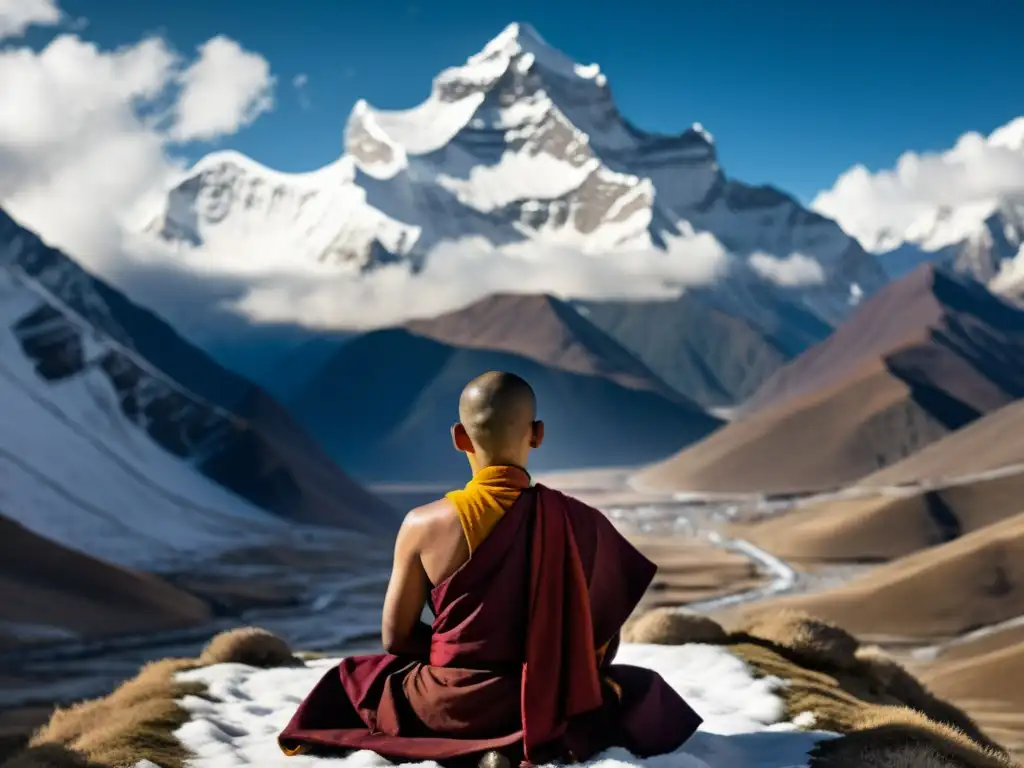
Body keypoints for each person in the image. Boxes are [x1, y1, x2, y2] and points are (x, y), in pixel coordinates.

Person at [278, 371, 702, 767]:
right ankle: (512, 742)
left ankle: (476, 745)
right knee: (641, 689)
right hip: (546, 702)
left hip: (445, 704)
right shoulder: (580, 520)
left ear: (459, 437)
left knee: (352, 677)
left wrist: (460, 658)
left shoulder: (422, 524)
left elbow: (397, 636)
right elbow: (603, 635)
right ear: (537, 434)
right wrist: (552, 667)